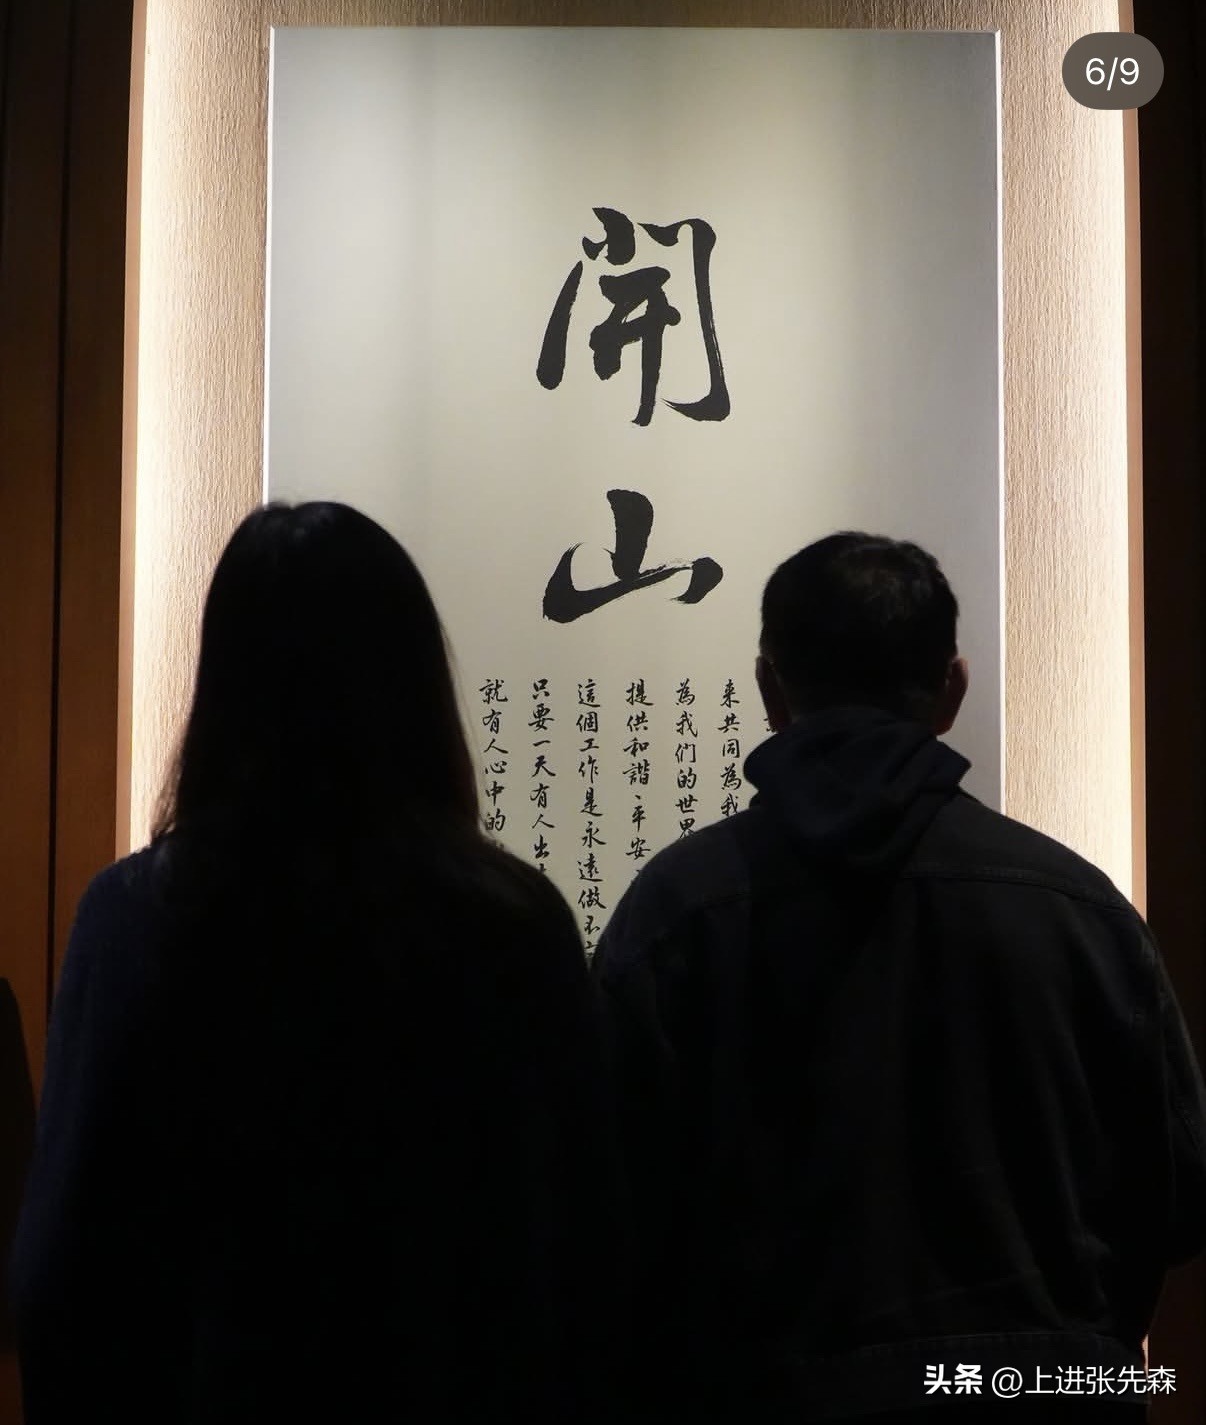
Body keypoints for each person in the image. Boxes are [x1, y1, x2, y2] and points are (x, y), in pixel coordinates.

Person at [10, 502, 623, 1424]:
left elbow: (61, 1268)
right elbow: (585, 1255)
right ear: (414, 682)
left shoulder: (136, 915)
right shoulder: (514, 926)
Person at [591, 531, 1206, 1424]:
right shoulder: (1081, 908)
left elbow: (603, 1209)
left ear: (768, 687)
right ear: (952, 688)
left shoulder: (678, 911)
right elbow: (1177, 1201)